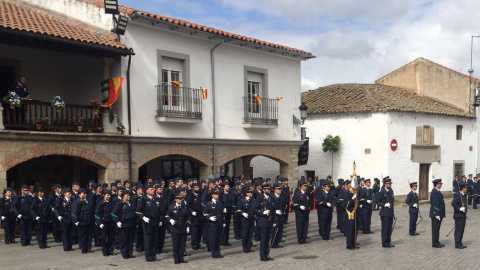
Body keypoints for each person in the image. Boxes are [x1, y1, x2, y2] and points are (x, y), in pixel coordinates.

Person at [136, 184, 161, 262]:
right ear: (147, 191)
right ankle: (148, 256)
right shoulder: (143, 200)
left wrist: (160, 220)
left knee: (155, 239)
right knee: (148, 240)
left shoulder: (156, 199)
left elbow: (159, 211)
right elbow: (137, 211)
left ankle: (154, 255)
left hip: (155, 222)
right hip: (148, 222)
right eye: (151, 189)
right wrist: (143, 217)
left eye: (153, 189)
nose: (153, 190)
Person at [166, 193, 190, 264]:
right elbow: (167, 216)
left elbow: (188, 218)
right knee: (176, 245)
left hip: (183, 227)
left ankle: (181, 258)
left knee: (182, 245)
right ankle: (176, 259)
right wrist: (170, 220)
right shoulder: (171, 207)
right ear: (175, 200)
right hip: (175, 228)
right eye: (179, 199)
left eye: (181, 199)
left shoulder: (185, 207)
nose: (180, 200)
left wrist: (188, 226)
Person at [112, 189, 136, 259]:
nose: (129, 196)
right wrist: (117, 221)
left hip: (131, 224)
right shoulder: (120, 203)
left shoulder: (132, 203)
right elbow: (113, 213)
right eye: (127, 195)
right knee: (124, 240)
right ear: (123, 196)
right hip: (124, 224)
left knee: (131, 240)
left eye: (129, 195)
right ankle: (124, 253)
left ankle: (130, 253)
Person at [253, 184, 275, 262]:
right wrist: (262, 212)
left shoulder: (271, 198)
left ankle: (266, 254)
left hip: (269, 221)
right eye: (268, 189)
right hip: (263, 221)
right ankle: (262, 255)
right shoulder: (260, 198)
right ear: (264, 190)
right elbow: (254, 208)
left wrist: (274, 221)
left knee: (268, 239)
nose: (269, 190)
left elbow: (273, 210)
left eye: (270, 189)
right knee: (263, 239)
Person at [72, 188, 95, 254]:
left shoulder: (89, 201)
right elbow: (74, 212)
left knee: (89, 235)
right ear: (79, 194)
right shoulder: (77, 202)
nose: (85, 195)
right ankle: (83, 248)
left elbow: (92, 210)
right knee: (83, 236)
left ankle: (88, 248)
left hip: (89, 221)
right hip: (82, 221)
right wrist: (75, 221)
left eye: (85, 193)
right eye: (83, 193)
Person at [203, 188, 224, 258]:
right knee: (213, 238)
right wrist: (209, 218)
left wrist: (223, 221)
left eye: (217, 194)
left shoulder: (220, 203)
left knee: (218, 238)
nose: (217, 195)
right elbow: (205, 214)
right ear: (212, 195)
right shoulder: (209, 204)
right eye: (215, 194)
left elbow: (222, 213)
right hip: (213, 224)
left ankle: (218, 252)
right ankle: (214, 253)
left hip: (219, 222)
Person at [95, 189, 116, 257]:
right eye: (107, 195)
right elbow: (96, 214)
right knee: (103, 238)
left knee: (111, 237)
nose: (109, 196)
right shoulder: (100, 203)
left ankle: (110, 250)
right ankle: (105, 251)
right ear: (103, 195)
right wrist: (99, 223)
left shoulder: (112, 203)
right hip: (103, 223)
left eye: (109, 195)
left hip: (111, 222)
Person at [376, 177, 395, 248]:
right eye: (388, 184)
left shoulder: (391, 191)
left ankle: (388, 241)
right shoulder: (382, 192)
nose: (390, 185)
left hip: (390, 212)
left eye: (390, 183)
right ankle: (384, 242)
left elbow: (392, 201)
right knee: (385, 228)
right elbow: (377, 201)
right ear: (385, 184)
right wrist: (384, 204)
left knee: (389, 228)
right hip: (384, 213)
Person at [237, 186, 256, 253]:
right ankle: (245, 247)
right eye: (250, 192)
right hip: (245, 219)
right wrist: (243, 213)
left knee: (250, 233)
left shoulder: (252, 200)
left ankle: (249, 246)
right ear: (246, 193)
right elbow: (238, 210)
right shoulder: (242, 200)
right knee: (245, 233)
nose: (251, 193)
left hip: (251, 218)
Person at [292, 179, 310, 244]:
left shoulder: (306, 193)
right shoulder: (297, 194)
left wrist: (308, 209)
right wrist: (299, 206)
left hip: (306, 212)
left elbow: (308, 202)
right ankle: (300, 239)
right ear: (301, 186)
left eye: (306, 186)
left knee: (305, 226)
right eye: (304, 186)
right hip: (299, 213)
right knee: (300, 226)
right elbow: (294, 203)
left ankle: (304, 238)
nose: (306, 187)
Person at [188, 183, 204, 250]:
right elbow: (188, 206)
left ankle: (198, 243)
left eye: (198, 187)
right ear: (193, 188)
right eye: (196, 187)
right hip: (194, 215)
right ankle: (194, 244)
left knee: (200, 230)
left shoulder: (200, 196)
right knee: (195, 230)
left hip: (200, 214)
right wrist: (192, 212)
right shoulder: (191, 196)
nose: (198, 189)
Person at [451, 182, 467, 249]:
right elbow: (453, 203)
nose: (466, 189)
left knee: (461, 229)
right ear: (463, 188)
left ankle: (459, 242)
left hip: (462, 215)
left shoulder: (463, 195)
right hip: (458, 215)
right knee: (458, 230)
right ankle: (457, 243)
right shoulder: (458, 195)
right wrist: (459, 209)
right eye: (466, 187)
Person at [430, 179, 445, 248]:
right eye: (440, 184)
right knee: (435, 229)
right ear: (437, 184)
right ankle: (435, 243)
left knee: (437, 228)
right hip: (436, 214)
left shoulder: (437, 191)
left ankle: (437, 241)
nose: (441, 185)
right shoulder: (434, 192)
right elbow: (435, 204)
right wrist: (436, 214)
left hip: (439, 213)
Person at [344, 180, 358, 250]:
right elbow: (346, 205)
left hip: (355, 213)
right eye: (351, 186)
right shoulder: (346, 194)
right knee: (350, 230)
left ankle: (353, 243)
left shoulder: (354, 194)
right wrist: (352, 199)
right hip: (349, 214)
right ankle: (349, 245)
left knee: (354, 230)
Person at [272, 183, 286, 248]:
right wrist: (275, 211)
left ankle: (277, 242)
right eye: (278, 189)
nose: (280, 190)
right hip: (274, 216)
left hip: (280, 215)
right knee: (275, 231)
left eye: (280, 189)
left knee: (280, 230)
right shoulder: (272, 197)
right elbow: (269, 207)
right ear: (275, 190)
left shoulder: (281, 197)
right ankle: (273, 243)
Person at [221, 180, 234, 246]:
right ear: (223, 187)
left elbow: (231, 203)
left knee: (227, 227)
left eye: (228, 186)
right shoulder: (221, 194)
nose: (228, 187)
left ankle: (226, 240)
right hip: (223, 213)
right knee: (223, 227)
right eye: (227, 186)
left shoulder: (229, 194)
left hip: (228, 212)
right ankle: (222, 240)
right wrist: (223, 208)